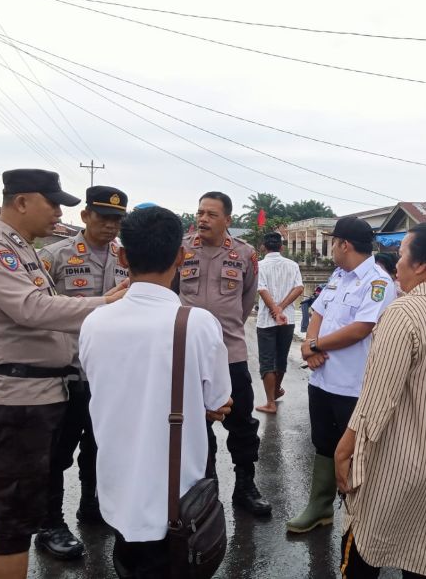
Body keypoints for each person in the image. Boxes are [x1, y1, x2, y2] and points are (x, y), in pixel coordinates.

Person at [0, 169, 126, 579]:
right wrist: (105, 304)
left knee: (8, 503)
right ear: (21, 201)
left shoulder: (22, 249)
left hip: (45, 391)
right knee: (17, 517)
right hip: (20, 398)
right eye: (52, 203)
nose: (57, 212)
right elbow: (32, 309)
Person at [79, 206, 232, 578]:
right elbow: (219, 401)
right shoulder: (197, 324)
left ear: (123, 255)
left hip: (118, 494)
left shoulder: (94, 322)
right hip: (179, 501)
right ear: (181, 257)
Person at [334, 223, 426, 578]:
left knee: (363, 553)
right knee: (422, 558)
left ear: (420, 265)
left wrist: (345, 449)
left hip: (395, 465)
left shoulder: (403, 314)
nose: (395, 264)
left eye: (401, 256)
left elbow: (376, 402)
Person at [34, 185, 129, 559]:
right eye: (104, 217)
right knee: (58, 451)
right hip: (67, 372)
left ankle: (92, 507)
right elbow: (37, 308)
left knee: (99, 446)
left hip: (108, 374)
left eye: (117, 220)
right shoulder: (54, 256)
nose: (110, 226)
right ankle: (49, 523)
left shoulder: (126, 257)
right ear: (85, 216)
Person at [286, 216, 396, 534]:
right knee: (322, 443)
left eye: (333, 242)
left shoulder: (378, 282)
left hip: (353, 386)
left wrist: (315, 343)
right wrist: (309, 344)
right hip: (322, 378)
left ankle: (363, 518)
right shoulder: (339, 274)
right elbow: (318, 311)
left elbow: (362, 328)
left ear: (344, 244)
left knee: (358, 453)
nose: (332, 248)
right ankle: (320, 507)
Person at [176, 191, 270, 516]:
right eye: (200, 212)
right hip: (188, 355)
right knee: (196, 426)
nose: (203, 219)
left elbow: (247, 300)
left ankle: (245, 487)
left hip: (230, 354)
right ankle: (207, 488)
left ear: (227, 220)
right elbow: (172, 291)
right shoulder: (183, 249)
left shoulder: (244, 254)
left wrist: (224, 331)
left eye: (211, 214)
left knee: (241, 423)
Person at [255, 231, 304, 414]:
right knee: (280, 358)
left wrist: (275, 310)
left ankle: (270, 402)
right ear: (281, 247)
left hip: (266, 321)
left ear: (263, 247)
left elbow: (262, 289)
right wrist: (281, 308)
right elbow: (299, 288)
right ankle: (276, 391)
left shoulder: (260, 266)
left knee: (267, 360)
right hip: (288, 319)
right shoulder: (292, 265)